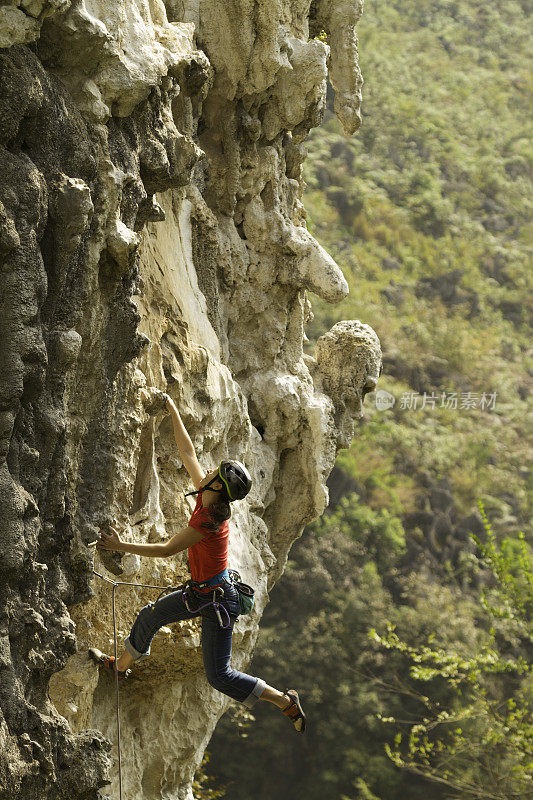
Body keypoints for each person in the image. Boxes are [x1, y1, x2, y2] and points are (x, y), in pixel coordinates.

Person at [90, 394, 306, 733]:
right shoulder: (208, 495)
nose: (205, 470)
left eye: (213, 472)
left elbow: (165, 550)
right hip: (207, 592)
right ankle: (119, 666)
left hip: (218, 601)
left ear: (217, 486)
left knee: (219, 676)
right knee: (150, 616)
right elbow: (188, 452)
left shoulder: (208, 521)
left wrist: (118, 544)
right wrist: (172, 408)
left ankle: (284, 701)